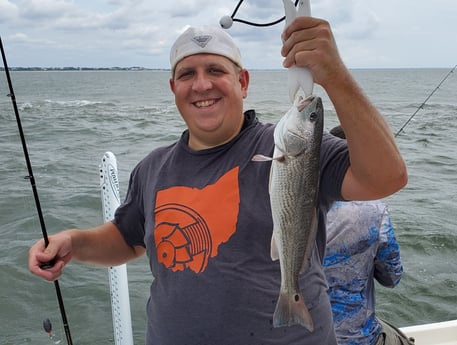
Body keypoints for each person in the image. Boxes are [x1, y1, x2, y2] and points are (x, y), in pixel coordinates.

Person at [28, 16, 407, 345]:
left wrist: (335, 75)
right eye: (187, 74)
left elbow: (386, 176)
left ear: (242, 82)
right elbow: (127, 240)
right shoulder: (152, 168)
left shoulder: (301, 149)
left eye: (215, 71)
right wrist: (73, 242)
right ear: (173, 88)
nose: (201, 85)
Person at [324, 126, 414, 345]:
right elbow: (392, 277)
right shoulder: (375, 211)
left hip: (297, 335)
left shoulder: (294, 205)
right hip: (355, 338)